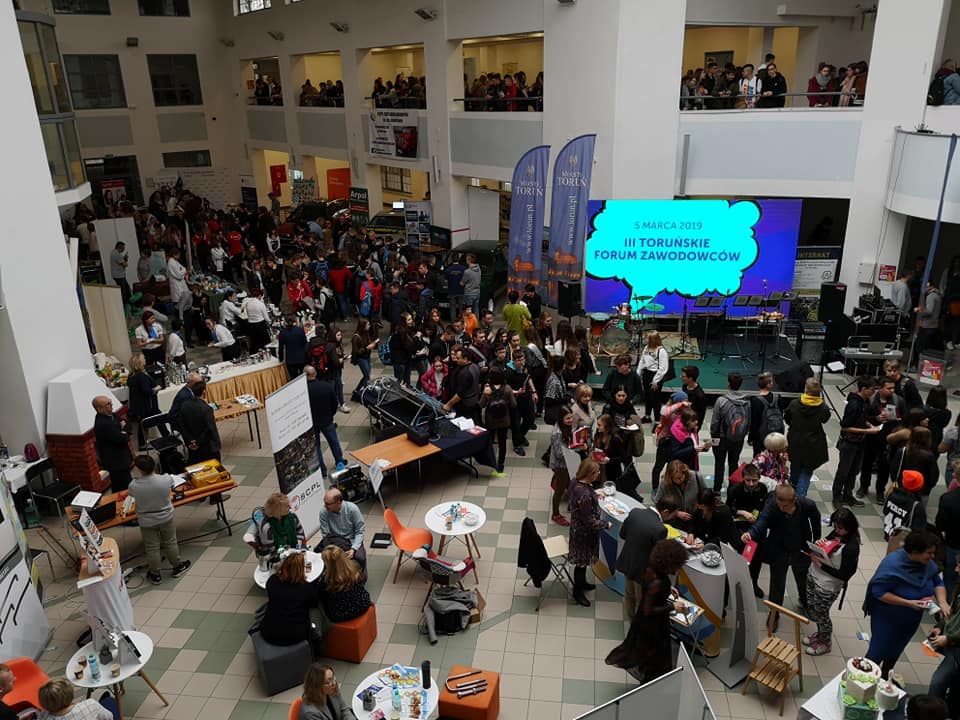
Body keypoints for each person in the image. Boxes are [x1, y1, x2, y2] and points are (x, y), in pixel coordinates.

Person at [864, 529, 949, 678]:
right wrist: (908, 603)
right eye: (929, 553)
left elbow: (937, 581)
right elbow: (879, 592)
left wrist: (942, 603)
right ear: (915, 551)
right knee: (877, 651)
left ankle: (885, 676)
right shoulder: (892, 565)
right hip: (887, 618)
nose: (932, 556)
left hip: (911, 620)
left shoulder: (926, 564)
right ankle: (865, 678)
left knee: (896, 649)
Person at [605, 539, 689, 682]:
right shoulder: (657, 582)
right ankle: (650, 682)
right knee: (654, 657)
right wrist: (673, 607)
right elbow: (648, 610)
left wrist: (668, 588)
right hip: (652, 625)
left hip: (647, 622)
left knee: (648, 655)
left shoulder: (652, 568)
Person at [742, 484, 821, 617]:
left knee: (803, 579)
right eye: (779, 505)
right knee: (777, 584)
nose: (781, 509)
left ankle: (806, 603)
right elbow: (762, 521)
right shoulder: (773, 505)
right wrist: (750, 533)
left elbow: (816, 523)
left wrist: (815, 544)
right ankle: (774, 614)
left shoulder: (808, 505)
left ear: (794, 500)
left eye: (785, 506)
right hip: (779, 548)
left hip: (801, 547)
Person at [803, 507, 860, 656]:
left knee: (821, 613)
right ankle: (820, 634)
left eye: (840, 528)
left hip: (828, 585)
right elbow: (827, 545)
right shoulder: (836, 533)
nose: (836, 530)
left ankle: (825, 642)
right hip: (814, 575)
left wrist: (821, 565)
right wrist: (820, 544)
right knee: (812, 608)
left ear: (849, 527)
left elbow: (844, 574)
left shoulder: (851, 547)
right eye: (835, 526)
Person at [128, 455, 191, 584]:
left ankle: (155, 574)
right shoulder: (165, 479)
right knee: (170, 542)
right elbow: (174, 482)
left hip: (146, 521)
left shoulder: (134, 485)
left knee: (152, 548)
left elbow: (131, 495)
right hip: (165, 517)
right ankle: (177, 566)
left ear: (139, 469)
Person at [616, 498, 679, 620]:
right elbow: (658, 559)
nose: (672, 518)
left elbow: (622, 534)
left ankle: (631, 620)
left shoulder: (635, 512)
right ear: (666, 512)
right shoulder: (660, 529)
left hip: (628, 562)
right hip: (643, 573)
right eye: (673, 514)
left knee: (629, 595)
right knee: (642, 602)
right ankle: (638, 626)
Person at [568, 459, 613, 607]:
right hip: (584, 535)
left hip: (576, 528)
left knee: (582, 563)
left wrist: (595, 495)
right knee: (581, 564)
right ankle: (578, 592)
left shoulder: (575, 482)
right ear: (589, 474)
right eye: (596, 472)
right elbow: (589, 521)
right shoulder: (585, 496)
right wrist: (606, 524)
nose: (598, 474)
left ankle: (582, 584)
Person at [833, 375, 881, 507]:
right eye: (872, 389)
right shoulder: (854, 404)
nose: (874, 392)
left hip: (860, 442)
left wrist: (870, 424)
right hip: (849, 443)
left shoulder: (864, 401)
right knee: (843, 471)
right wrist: (868, 431)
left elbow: (861, 419)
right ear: (864, 389)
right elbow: (845, 426)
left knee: (854, 471)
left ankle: (848, 495)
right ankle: (837, 497)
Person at [260, 553, 322, 650]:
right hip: (295, 635)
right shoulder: (306, 588)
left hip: (268, 632)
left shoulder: (272, 581)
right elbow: (314, 604)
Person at [784, 378, 831, 497]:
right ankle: (800, 497)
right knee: (807, 470)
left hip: (795, 440)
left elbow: (787, 418)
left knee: (795, 465)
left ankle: (793, 489)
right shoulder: (823, 408)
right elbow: (825, 419)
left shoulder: (794, 404)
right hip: (814, 443)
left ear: (806, 389)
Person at [727, 464, 768, 597]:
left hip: (758, 528)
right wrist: (741, 512)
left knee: (757, 559)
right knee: (744, 558)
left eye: (754, 480)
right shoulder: (735, 490)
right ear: (743, 478)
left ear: (759, 478)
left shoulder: (763, 489)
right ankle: (741, 582)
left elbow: (764, 507)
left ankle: (754, 583)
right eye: (748, 480)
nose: (751, 484)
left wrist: (757, 515)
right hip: (741, 529)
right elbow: (728, 509)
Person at [710, 372, 751, 493]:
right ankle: (733, 490)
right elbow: (748, 420)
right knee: (734, 463)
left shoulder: (721, 401)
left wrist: (714, 436)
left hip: (721, 438)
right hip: (738, 438)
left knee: (719, 464)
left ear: (728, 384)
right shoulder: (747, 402)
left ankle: (717, 490)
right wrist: (742, 434)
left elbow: (715, 422)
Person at [304, 366, 345, 477]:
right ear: (315, 374)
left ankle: (322, 470)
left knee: (316, 446)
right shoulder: (326, 386)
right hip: (326, 420)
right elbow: (334, 404)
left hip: (312, 423)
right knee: (333, 441)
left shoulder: (303, 391)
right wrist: (330, 415)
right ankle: (339, 461)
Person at [318, 545, 371, 623]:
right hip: (363, 603)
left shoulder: (327, 581)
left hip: (341, 614)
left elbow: (319, 596)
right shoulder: (355, 568)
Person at [480, 368, 516, 477]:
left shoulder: (488, 389)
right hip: (504, 419)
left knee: (489, 442)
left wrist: (486, 395)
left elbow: (481, 404)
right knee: (502, 443)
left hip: (490, 419)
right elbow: (513, 404)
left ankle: (491, 461)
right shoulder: (507, 388)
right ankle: (500, 465)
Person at [92, 395, 132, 492]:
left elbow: (127, 423)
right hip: (116, 462)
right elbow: (122, 438)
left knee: (124, 485)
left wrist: (122, 430)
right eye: (108, 404)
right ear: (99, 409)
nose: (112, 404)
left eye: (110, 402)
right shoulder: (103, 423)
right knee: (123, 488)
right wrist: (123, 430)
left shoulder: (111, 415)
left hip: (122, 458)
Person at [654, 460, 705, 531]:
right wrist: (676, 513)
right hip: (674, 522)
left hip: (694, 520)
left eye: (681, 477)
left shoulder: (696, 477)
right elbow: (657, 503)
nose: (680, 480)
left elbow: (705, 495)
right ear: (670, 477)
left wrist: (699, 505)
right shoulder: (664, 483)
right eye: (677, 478)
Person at [178, 380, 221, 463]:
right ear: (204, 391)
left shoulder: (184, 405)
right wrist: (197, 442)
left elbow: (182, 425)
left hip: (192, 446)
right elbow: (209, 429)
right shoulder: (206, 409)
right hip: (208, 447)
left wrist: (191, 440)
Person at [548, 405, 577, 526]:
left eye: (571, 417)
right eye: (568, 418)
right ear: (561, 419)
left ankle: (572, 504)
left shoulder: (565, 427)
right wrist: (576, 447)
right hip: (561, 466)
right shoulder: (557, 433)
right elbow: (559, 454)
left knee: (571, 483)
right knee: (559, 491)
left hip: (568, 462)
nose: (571, 420)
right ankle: (555, 514)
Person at [37, 678, 117, 720]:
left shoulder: (43, 715)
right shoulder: (90, 704)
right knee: (109, 701)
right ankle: (107, 699)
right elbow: (109, 717)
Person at [126, 353, 160, 448]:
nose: (145, 359)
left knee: (144, 423)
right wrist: (156, 389)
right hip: (145, 405)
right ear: (139, 362)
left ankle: (142, 443)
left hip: (138, 405)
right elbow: (147, 391)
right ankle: (143, 444)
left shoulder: (131, 376)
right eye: (143, 358)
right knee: (152, 420)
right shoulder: (141, 377)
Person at [937, 460, 960, 598]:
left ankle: (949, 605)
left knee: (950, 579)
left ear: (955, 476)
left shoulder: (947, 499)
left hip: (953, 545)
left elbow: (940, 525)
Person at [883, 469, 928, 540]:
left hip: (889, 534)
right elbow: (919, 530)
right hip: (904, 541)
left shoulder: (892, 494)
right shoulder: (917, 506)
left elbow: (885, 511)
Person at [748, 372, 783, 458]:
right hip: (776, 435)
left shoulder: (755, 400)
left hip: (761, 438)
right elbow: (781, 415)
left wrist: (751, 438)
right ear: (768, 384)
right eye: (771, 381)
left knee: (759, 459)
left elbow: (754, 422)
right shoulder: (778, 397)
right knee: (775, 457)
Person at [442, 345, 480, 423]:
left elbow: (459, 394)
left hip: (465, 405)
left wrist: (448, 404)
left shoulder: (465, 373)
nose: (456, 360)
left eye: (458, 358)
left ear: (465, 359)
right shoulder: (475, 366)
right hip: (474, 401)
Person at [637, 331, 669, 423]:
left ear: (653, 340)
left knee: (655, 399)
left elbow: (663, 368)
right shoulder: (646, 348)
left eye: (647, 338)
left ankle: (657, 420)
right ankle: (647, 416)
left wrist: (655, 381)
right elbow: (642, 361)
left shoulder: (661, 351)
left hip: (656, 375)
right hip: (647, 374)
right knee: (647, 397)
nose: (645, 339)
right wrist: (638, 373)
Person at [350, 318, 377, 402]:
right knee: (367, 376)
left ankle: (357, 391)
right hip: (361, 358)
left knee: (366, 375)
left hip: (367, 357)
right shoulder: (356, 337)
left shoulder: (366, 333)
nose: (369, 326)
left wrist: (373, 344)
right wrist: (367, 348)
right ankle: (365, 394)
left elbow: (368, 343)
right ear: (363, 326)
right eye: (368, 324)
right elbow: (356, 352)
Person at [917, 280, 944, 355]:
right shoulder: (937, 295)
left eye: (927, 286)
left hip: (927, 325)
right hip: (933, 325)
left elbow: (929, 311)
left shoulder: (931, 296)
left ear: (932, 286)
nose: (925, 288)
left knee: (920, 348)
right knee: (929, 348)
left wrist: (919, 310)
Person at [110, 241, 130, 307]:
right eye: (123, 248)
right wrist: (126, 259)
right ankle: (124, 305)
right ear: (120, 248)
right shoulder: (117, 255)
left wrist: (123, 258)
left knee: (126, 288)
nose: (124, 250)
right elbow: (125, 265)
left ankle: (127, 303)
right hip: (119, 275)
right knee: (123, 291)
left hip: (117, 275)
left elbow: (120, 261)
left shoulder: (113, 252)